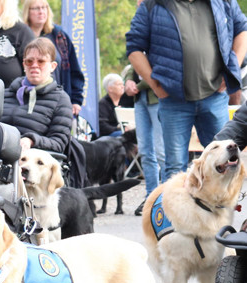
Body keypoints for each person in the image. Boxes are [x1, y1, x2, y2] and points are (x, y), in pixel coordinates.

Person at [127, 0, 247, 179]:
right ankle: (176, 208)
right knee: (175, 169)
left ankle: (224, 207)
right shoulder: (152, 5)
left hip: (215, 96)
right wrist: (155, 85)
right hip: (174, 101)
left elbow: (242, 30)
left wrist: (233, 69)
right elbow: (134, 47)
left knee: (225, 164)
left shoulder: (223, 2)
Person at [0, 37, 73, 153]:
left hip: (31, 163)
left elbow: (59, 143)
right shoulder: (4, 94)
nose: (34, 65)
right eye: (29, 61)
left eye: (41, 61)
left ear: (53, 66)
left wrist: (32, 140)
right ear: (24, 65)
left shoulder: (61, 100)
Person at [22, 0, 84, 116]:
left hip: (57, 100)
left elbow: (74, 70)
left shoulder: (59, 36)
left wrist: (76, 100)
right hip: (26, 100)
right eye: (36, 8)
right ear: (27, 12)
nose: (41, 12)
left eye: (44, 7)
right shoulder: (20, 35)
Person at [124, 59, 164, 216]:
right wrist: (128, 80)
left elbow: (159, 72)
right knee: (146, 151)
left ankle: (165, 197)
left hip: (158, 98)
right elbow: (134, 65)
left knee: (162, 152)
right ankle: (151, 196)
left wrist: (136, 86)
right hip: (140, 100)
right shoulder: (139, 44)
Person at [98, 73, 125, 138]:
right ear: (110, 88)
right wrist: (120, 129)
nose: (122, 87)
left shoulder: (125, 101)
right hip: (108, 137)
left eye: (123, 84)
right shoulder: (103, 104)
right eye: (119, 84)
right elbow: (103, 126)